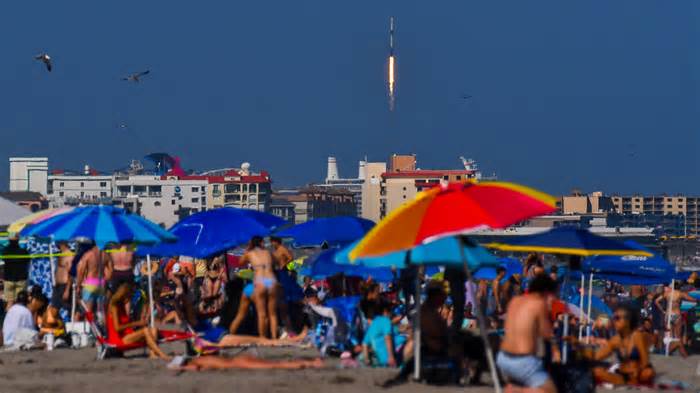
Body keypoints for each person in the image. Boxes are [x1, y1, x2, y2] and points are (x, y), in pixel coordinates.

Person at [497, 274, 558, 393]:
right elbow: (546, 333)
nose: (555, 298)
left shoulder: (515, 301)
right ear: (546, 292)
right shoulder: (539, 304)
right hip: (522, 361)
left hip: (503, 358)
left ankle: (516, 388)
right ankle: (516, 390)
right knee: (551, 390)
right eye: (553, 294)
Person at [585, 305, 655, 386]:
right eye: (615, 318)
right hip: (623, 374)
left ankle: (632, 381)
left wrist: (637, 370)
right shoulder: (615, 339)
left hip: (639, 372)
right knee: (597, 371)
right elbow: (598, 356)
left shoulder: (637, 336)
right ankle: (628, 381)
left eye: (617, 318)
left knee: (648, 373)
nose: (615, 321)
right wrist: (579, 348)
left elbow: (645, 359)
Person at [107, 282, 169, 360]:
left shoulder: (121, 305)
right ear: (124, 294)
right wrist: (137, 323)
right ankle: (162, 354)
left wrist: (140, 323)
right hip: (118, 339)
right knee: (145, 330)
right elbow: (117, 328)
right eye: (129, 296)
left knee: (154, 330)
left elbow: (127, 323)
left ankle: (153, 354)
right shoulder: (114, 306)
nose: (130, 299)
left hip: (127, 334)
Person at [240, 236, 279, 338]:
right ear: (262, 242)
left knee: (262, 314)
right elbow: (277, 262)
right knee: (273, 314)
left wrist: (248, 249)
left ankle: (263, 339)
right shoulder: (268, 253)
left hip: (260, 281)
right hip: (271, 281)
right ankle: (274, 338)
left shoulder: (250, 253)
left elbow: (240, 262)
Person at [362, 300, 411, 367]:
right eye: (390, 311)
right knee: (415, 342)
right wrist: (391, 357)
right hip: (393, 355)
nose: (391, 314)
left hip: (382, 359)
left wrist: (367, 361)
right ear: (385, 311)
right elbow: (387, 337)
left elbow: (364, 344)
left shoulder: (374, 324)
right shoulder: (385, 320)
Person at [654, 281, 697, 357]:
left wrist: (663, 311)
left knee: (669, 336)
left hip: (669, 315)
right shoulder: (680, 293)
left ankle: (668, 352)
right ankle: (682, 353)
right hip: (677, 315)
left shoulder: (667, 294)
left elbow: (656, 301)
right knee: (678, 336)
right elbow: (693, 300)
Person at [169, 354, 323, 371]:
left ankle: (311, 364)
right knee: (276, 362)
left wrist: (183, 368)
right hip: (238, 359)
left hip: (238, 364)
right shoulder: (199, 358)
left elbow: (195, 369)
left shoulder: (196, 363)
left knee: (276, 364)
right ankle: (310, 361)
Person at [77, 245, 111, 313]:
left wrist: (78, 285)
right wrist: (106, 280)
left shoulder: (88, 255)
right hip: (101, 283)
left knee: (88, 311)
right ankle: (101, 323)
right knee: (100, 311)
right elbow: (111, 271)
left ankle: (89, 323)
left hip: (90, 283)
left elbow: (81, 271)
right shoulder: (105, 255)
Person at [2, 234, 30, 309]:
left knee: (9, 303)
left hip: (9, 279)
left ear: (9, 241)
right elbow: (28, 262)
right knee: (20, 303)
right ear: (18, 241)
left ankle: (9, 319)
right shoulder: (23, 251)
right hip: (21, 279)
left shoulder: (5, 251)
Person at [52, 242, 73, 311]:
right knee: (54, 310)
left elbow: (71, 273)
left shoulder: (69, 254)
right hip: (57, 286)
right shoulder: (60, 253)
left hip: (64, 286)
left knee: (66, 310)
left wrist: (67, 290)